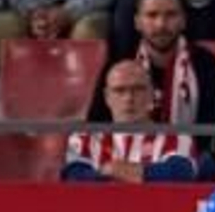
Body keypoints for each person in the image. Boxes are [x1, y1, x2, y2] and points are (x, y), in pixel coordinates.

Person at [90, 0, 215, 132]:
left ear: (183, 21)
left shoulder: (205, 62)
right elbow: (97, 123)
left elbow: (212, 128)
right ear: (137, 22)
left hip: (189, 152)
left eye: (170, 15)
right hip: (126, 153)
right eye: (152, 15)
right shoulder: (119, 63)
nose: (161, 24)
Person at [63, 60, 197, 184]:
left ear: (152, 94)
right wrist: (140, 175)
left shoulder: (176, 136)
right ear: (107, 97)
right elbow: (74, 176)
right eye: (119, 90)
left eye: (138, 89)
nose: (129, 98)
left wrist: (116, 170)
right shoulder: (85, 137)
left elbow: (180, 173)